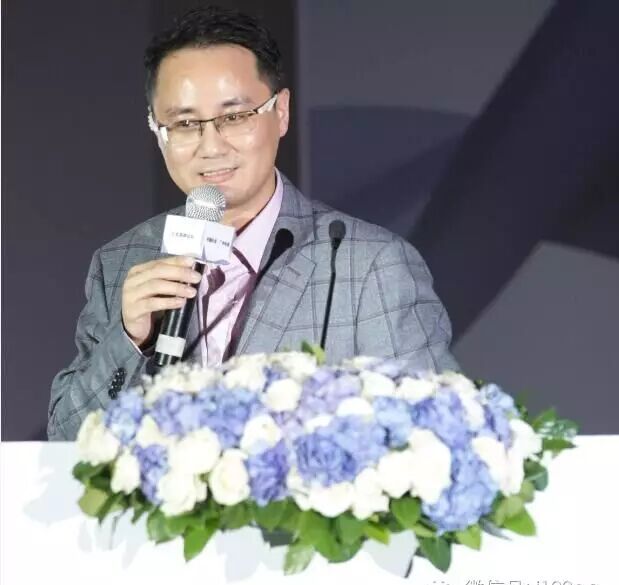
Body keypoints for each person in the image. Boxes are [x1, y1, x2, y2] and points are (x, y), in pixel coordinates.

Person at [47, 5, 459, 441]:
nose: (211, 146)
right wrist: (130, 339)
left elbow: (435, 438)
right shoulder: (121, 262)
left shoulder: (369, 265)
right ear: (157, 131)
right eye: (184, 123)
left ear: (280, 112)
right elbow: (66, 440)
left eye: (235, 117)